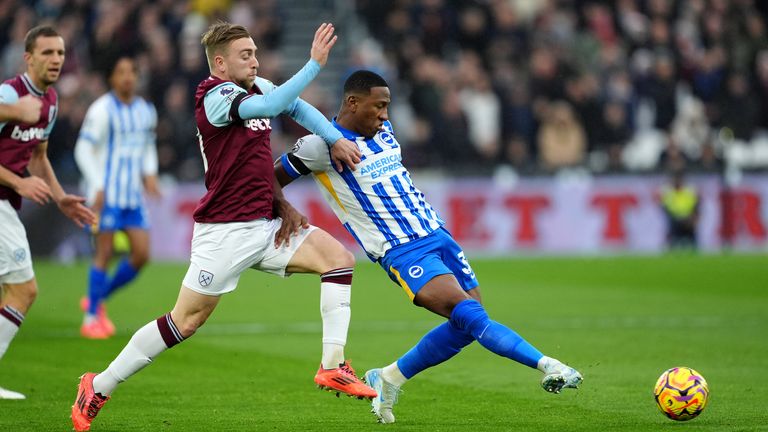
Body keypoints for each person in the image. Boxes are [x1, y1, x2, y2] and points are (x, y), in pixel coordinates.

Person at [71, 22, 372, 431]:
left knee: (338, 259)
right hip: (224, 233)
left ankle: (333, 365)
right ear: (220, 62)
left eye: (255, 53)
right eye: (245, 55)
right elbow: (271, 107)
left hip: (264, 226)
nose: (255, 60)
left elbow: (295, 108)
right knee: (184, 322)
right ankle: (98, 384)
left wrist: (333, 138)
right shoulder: (214, 96)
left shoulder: (258, 85)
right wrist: (314, 65)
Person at [274, 70, 583, 424]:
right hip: (403, 251)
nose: (385, 115)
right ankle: (548, 365)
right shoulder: (319, 147)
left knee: (467, 324)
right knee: (472, 317)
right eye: (379, 106)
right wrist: (284, 208)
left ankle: (389, 377)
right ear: (352, 103)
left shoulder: (384, 132)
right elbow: (270, 178)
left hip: (438, 235)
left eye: (387, 107)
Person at [0, 25, 95, 400]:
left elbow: (37, 156)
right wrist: (18, 183)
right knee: (24, 290)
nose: (56, 59)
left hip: (7, 200)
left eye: (60, 53)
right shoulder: (11, 93)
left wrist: (60, 197)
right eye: (48, 53)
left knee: (9, 289)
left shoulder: (50, 101)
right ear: (29, 58)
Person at [74, 55, 161, 339]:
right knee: (105, 253)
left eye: (132, 72)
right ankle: (90, 318)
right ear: (112, 78)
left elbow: (147, 146)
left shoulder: (146, 110)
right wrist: (97, 184)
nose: (127, 77)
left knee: (141, 254)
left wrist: (150, 173)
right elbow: (83, 150)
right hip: (105, 195)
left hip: (132, 198)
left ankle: (97, 298)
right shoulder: (101, 110)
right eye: (121, 72)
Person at [660, 170, 699, 249]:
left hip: (688, 220)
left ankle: (693, 249)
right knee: (673, 231)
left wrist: (691, 217)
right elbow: (666, 208)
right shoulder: (669, 192)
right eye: (676, 180)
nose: (677, 182)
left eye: (679, 180)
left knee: (691, 233)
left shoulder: (689, 191)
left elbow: (695, 206)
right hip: (675, 220)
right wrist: (678, 218)